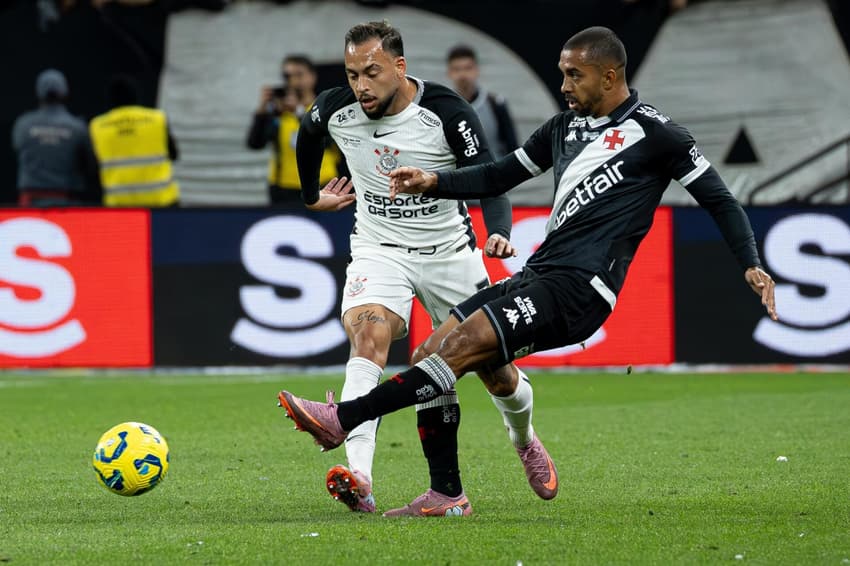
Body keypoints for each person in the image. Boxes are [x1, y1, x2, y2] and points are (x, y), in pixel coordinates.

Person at [277, 26, 780, 508]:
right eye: (561, 74)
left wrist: (750, 263)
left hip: (581, 288)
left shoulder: (658, 134)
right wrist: (434, 181)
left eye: (573, 75)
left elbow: (719, 199)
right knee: (434, 349)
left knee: (462, 356)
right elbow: (500, 174)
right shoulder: (561, 127)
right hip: (540, 273)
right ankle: (444, 492)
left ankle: (345, 419)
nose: (562, 86)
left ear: (609, 76)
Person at [289, 20, 558, 517]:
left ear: (399, 66)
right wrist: (311, 196)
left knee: (498, 378)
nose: (360, 86)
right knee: (368, 339)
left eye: (371, 72)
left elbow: (492, 179)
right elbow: (305, 137)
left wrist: (497, 228)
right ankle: (361, 478)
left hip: (449, 253)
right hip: (378, 246)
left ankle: (524, 439)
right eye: (352, 74)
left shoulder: (446, 113)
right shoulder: (335, 106)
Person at [246, 55, 342, 205]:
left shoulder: (326, 107)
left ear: (312, 77)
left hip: (323, 184)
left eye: (299, 74)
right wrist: (262, 111)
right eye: (287, 76)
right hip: (283, 187)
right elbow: (255, 144)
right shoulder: (279, 111)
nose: (293, 80)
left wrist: (298, 112)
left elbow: (331, 142)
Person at [12, 69, 101, 207]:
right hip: (67, 203)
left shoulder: (23, 124)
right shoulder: (77, 127)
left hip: (30, 203)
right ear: (64, 92)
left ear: (38, 93)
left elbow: (17, 149)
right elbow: (90, 165)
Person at [89, 75, 180, 207]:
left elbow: (92, 169)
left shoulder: (98, 126)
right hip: (161, 202)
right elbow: (174, 155)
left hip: (120, 206)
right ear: (135, 96)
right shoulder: (157, 119)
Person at [446, 44, 519, 160]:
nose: (462, 75)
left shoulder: (496, 104)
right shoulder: (443, 107)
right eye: (457, 69)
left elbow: (512, 149)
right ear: (449, 73)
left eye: (467, 68)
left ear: (476, 70)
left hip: (495, 175)